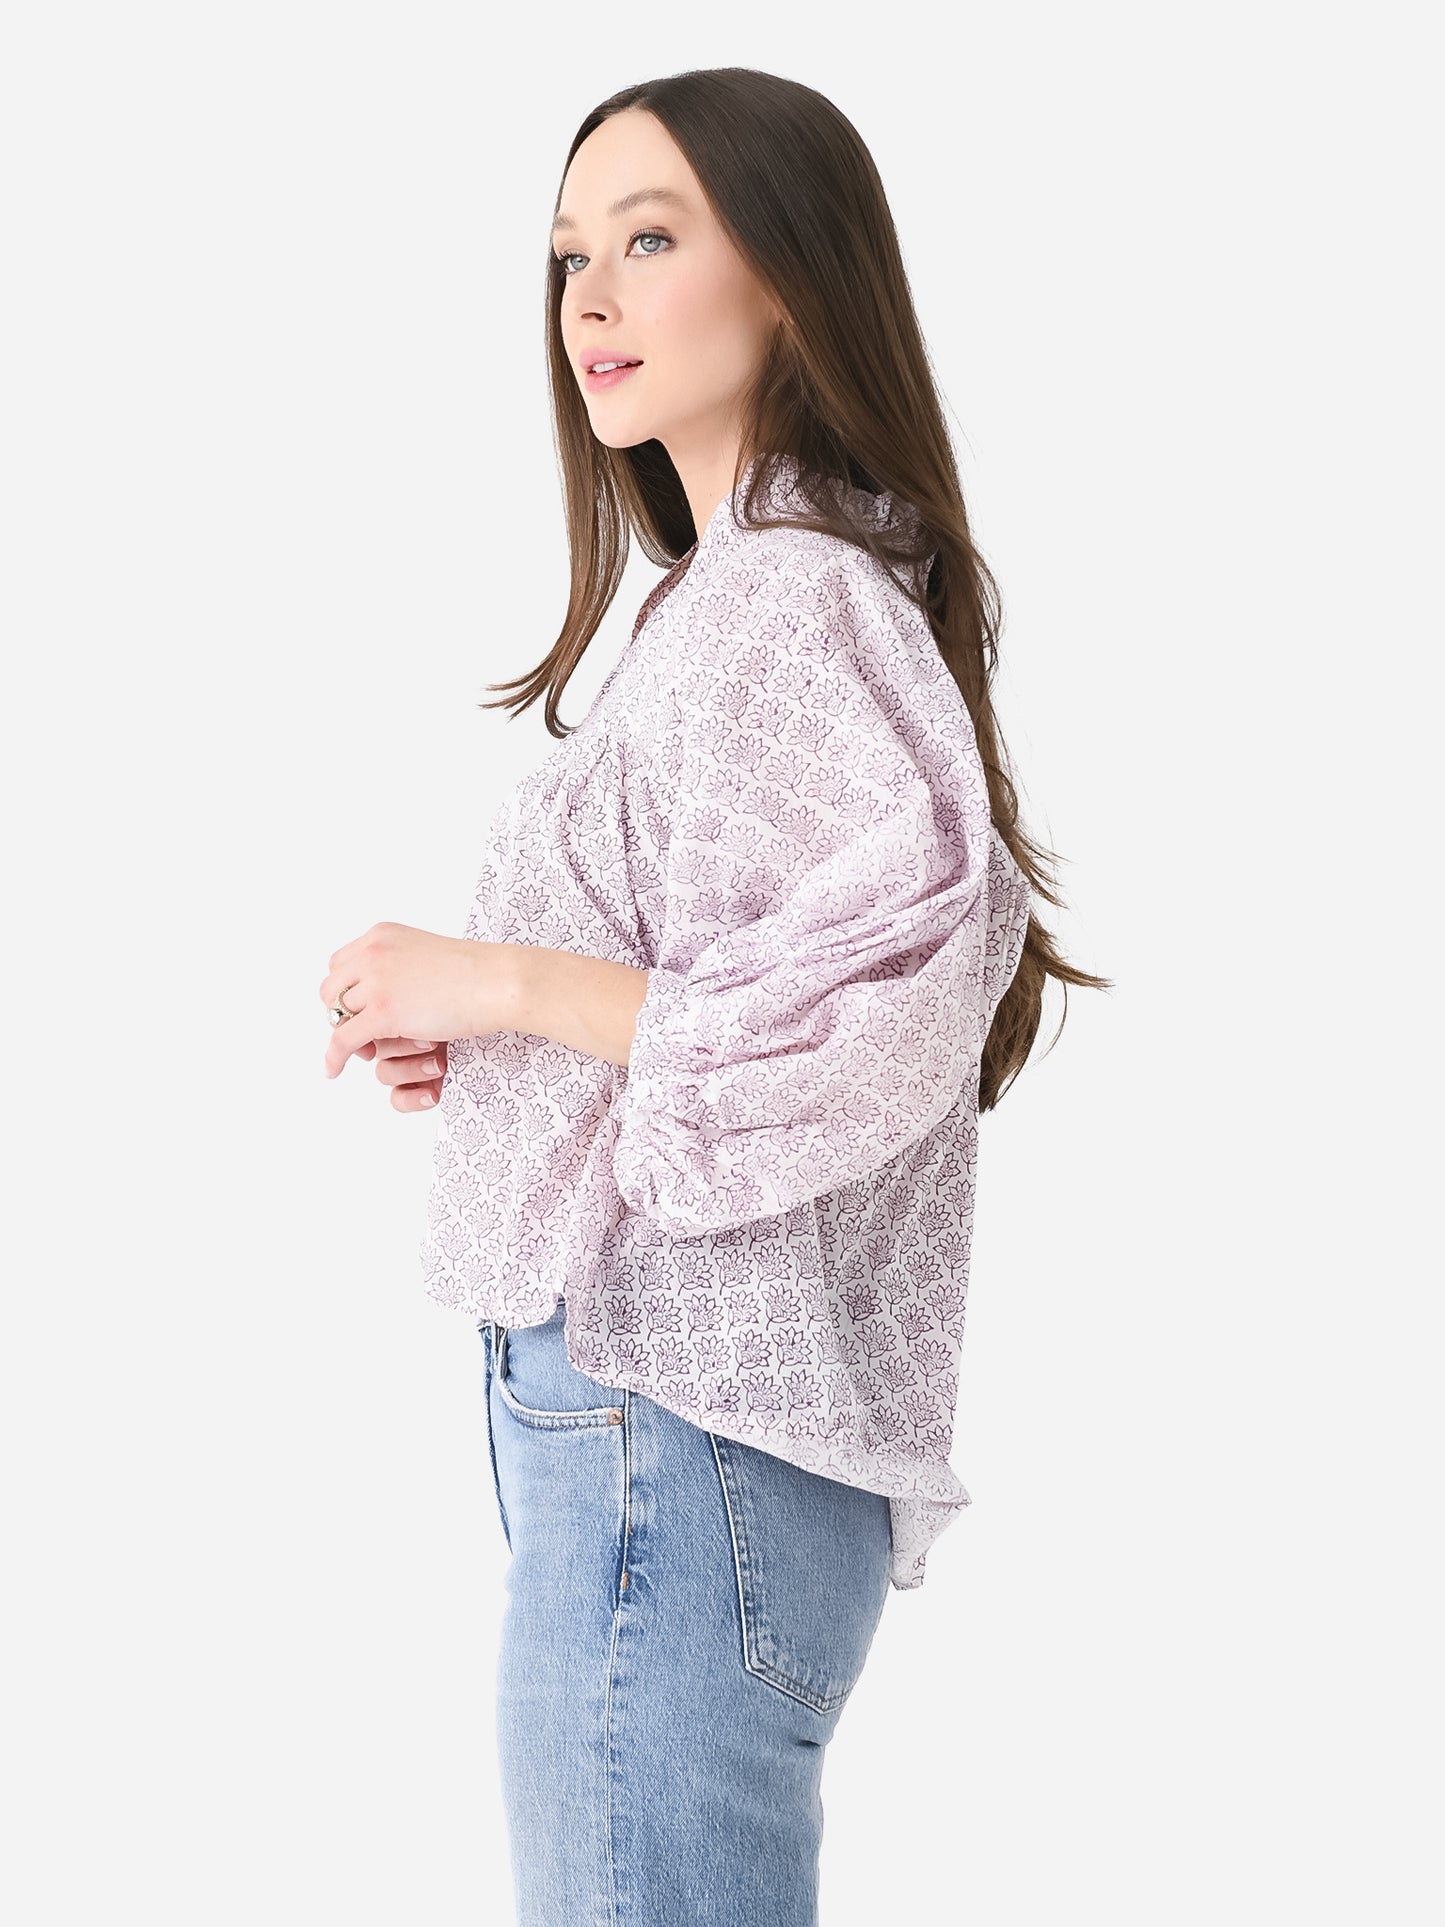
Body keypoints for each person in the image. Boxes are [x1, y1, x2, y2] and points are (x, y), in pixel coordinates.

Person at [320, 65, 1108, 1927]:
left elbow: (875, 1010)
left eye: (651, 239)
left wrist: (501, 975)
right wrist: (503, 1035)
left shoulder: (787, 600)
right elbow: (749, 992)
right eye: (568, 255)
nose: (589, 297)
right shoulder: (727, 601)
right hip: (657, 1439)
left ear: (792, 279)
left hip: (666, 1435)